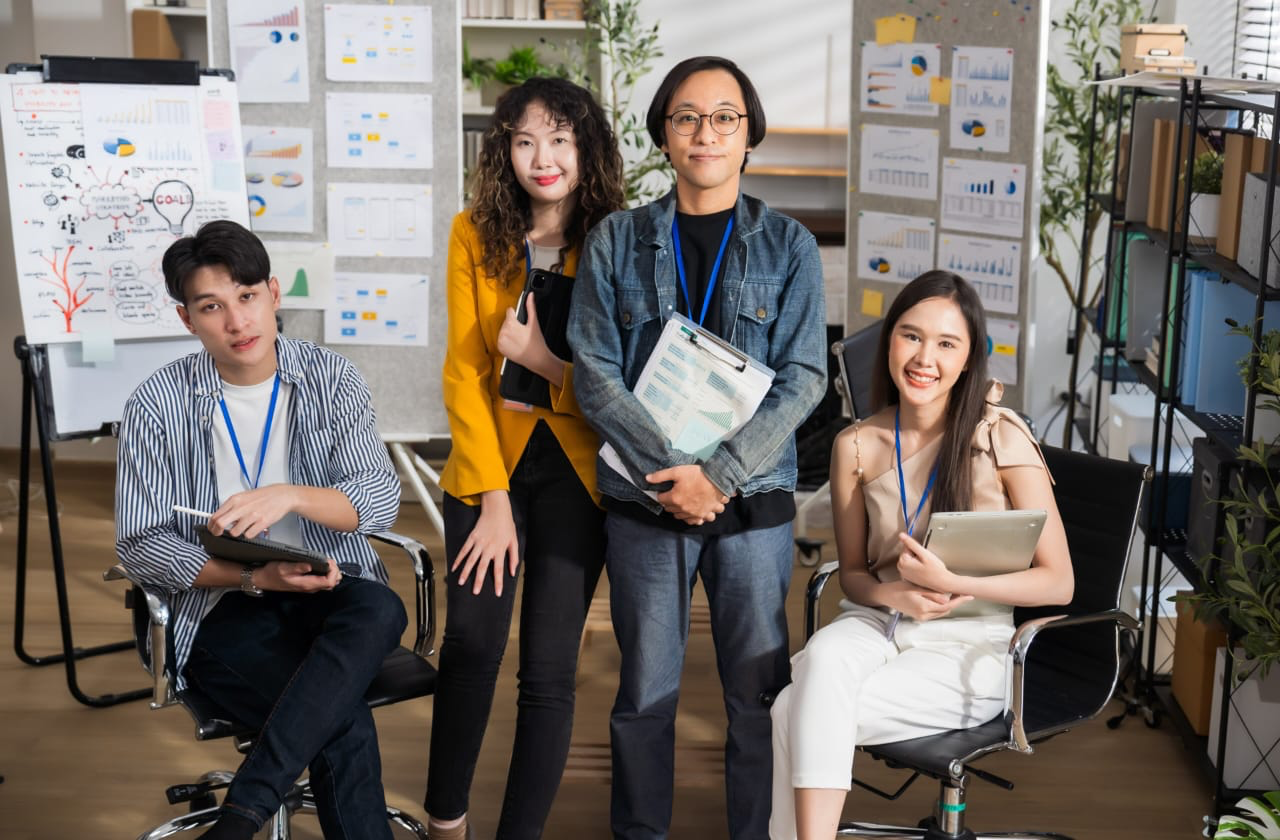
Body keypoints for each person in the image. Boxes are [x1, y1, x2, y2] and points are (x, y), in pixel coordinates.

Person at [567, 56, 827, 839]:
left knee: (757, 697)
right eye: (686, 117)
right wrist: (670, 474)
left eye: (724, 117)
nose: (705, 133)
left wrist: (717, 476)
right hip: (647, 501)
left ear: (748, 135)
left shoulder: (789, 245)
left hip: (754, 499)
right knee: (644, 695)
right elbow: (594, 373)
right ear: (664, 136)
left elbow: (806, 377)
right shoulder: (616, 240)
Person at [115, 220, 407, 840]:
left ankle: (237, 819)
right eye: (211, 307)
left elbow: (379, 498)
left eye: (247, 296)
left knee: (381, 606)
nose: (237, 321)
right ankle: (244, 818)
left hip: (326, 582)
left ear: (274, 293)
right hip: (222, 602)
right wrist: (255, 575)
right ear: (187, 319)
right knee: (340, 720)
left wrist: (291, 495)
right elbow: (141, 544)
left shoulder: (331, 378)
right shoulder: (156, 404)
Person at [768, 270, 1074, 840]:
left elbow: (1059, 582)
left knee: (793, 710)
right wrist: (893, 593)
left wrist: (957, 582)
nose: (924, 358)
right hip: (878, 621)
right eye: (911, 336)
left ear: (969, 358)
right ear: (889, 341)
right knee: (824, 659)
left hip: (970, 644)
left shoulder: (1000, 437)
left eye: (946, 343)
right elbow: (854, 575)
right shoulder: (855, 445)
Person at [425, 77, 625, 840]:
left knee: (547, 671)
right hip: (490, 473)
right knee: (472, 645)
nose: (544, 158)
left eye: (561, 139)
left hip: (579, 474)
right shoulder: (473, 234)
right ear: (503, 151)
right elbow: (463, 372)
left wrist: (541, 360)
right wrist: (494, 498)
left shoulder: (618, 242)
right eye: (525, 140)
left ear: (587, 147)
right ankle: (446, 822)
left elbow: (623, 387)